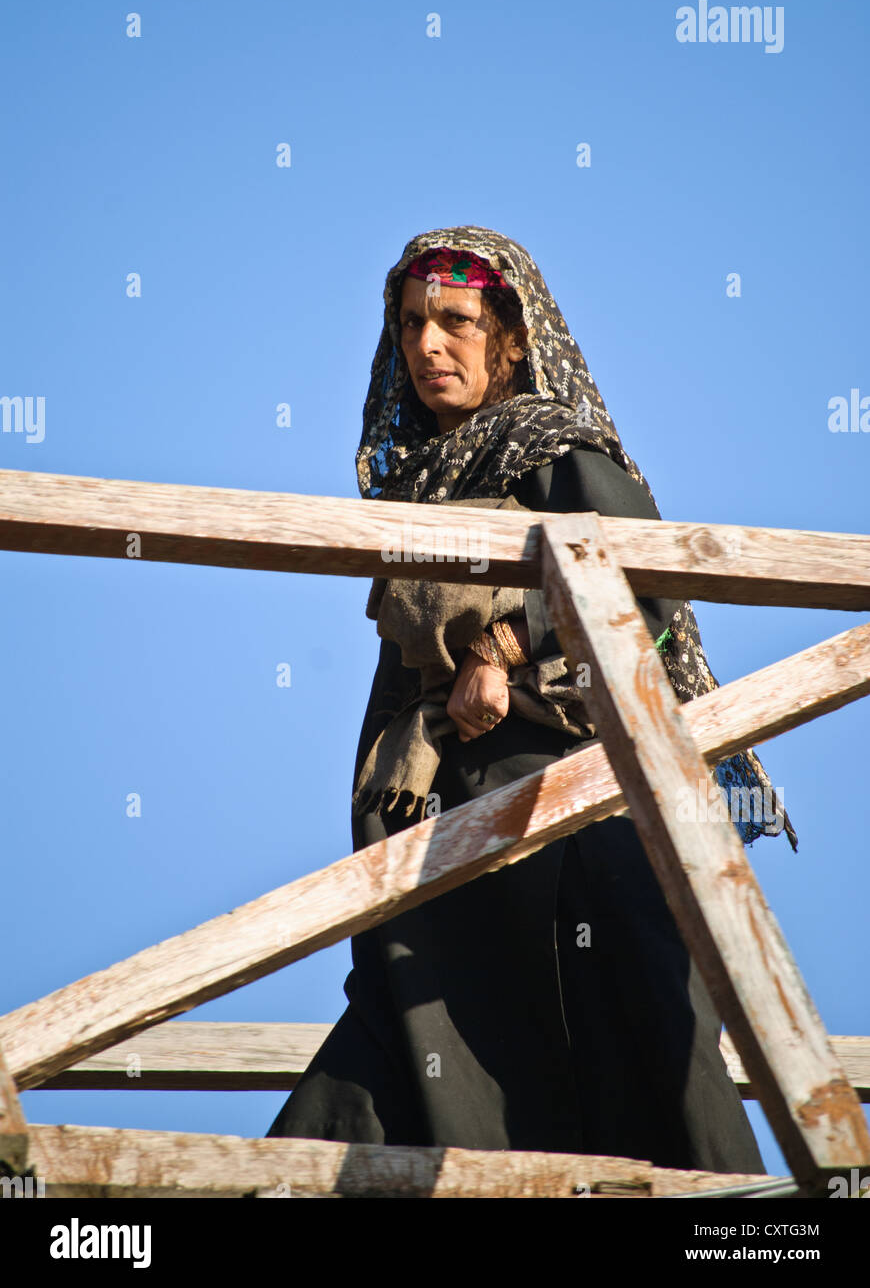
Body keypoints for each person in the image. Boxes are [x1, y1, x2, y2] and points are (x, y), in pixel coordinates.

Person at [266, 225, 796, 1172]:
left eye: (457, 322)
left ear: (510, 337)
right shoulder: (418, 492)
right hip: (454, 824)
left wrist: (502, 650)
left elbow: (648, 584)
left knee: (643, 1048)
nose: (429, 346)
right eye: (412, 325)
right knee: (410, 1032)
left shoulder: (555, 446)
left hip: (580, 802)